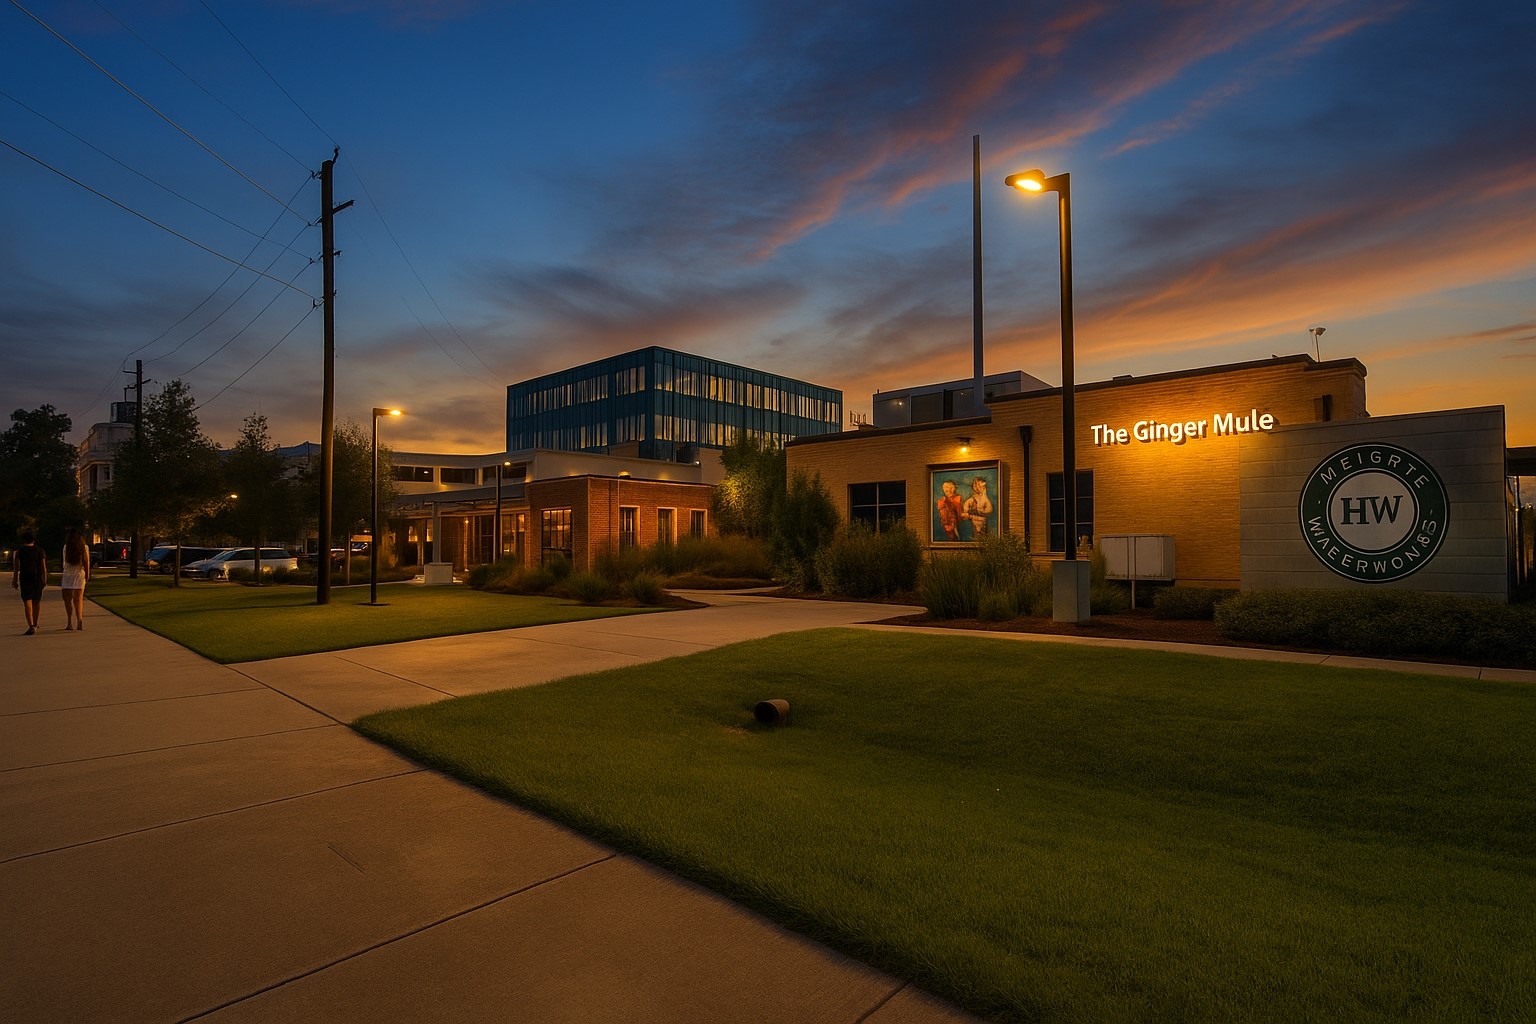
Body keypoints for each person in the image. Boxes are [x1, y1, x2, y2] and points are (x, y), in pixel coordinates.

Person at [12, 530, 46, 635]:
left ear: (23, 540)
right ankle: (35, 623)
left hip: (25, 577)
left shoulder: (20, 552)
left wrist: (15, 579)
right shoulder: (40, 550)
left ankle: (31, 625)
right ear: (33, 540)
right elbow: (43, 566)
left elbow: (16, 567)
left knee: (27, 601)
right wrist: (45, 578)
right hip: (37, 576)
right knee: (37, 601)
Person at [60, 527, 90, 631]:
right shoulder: (84, 547)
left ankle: (69, 622)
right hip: (79, 573)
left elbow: (64, 563)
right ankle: (80, 621)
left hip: (68, 574)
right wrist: (87, 574)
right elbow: (86, 562)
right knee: (79, 599)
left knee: (67, 600)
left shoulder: (66, 547)